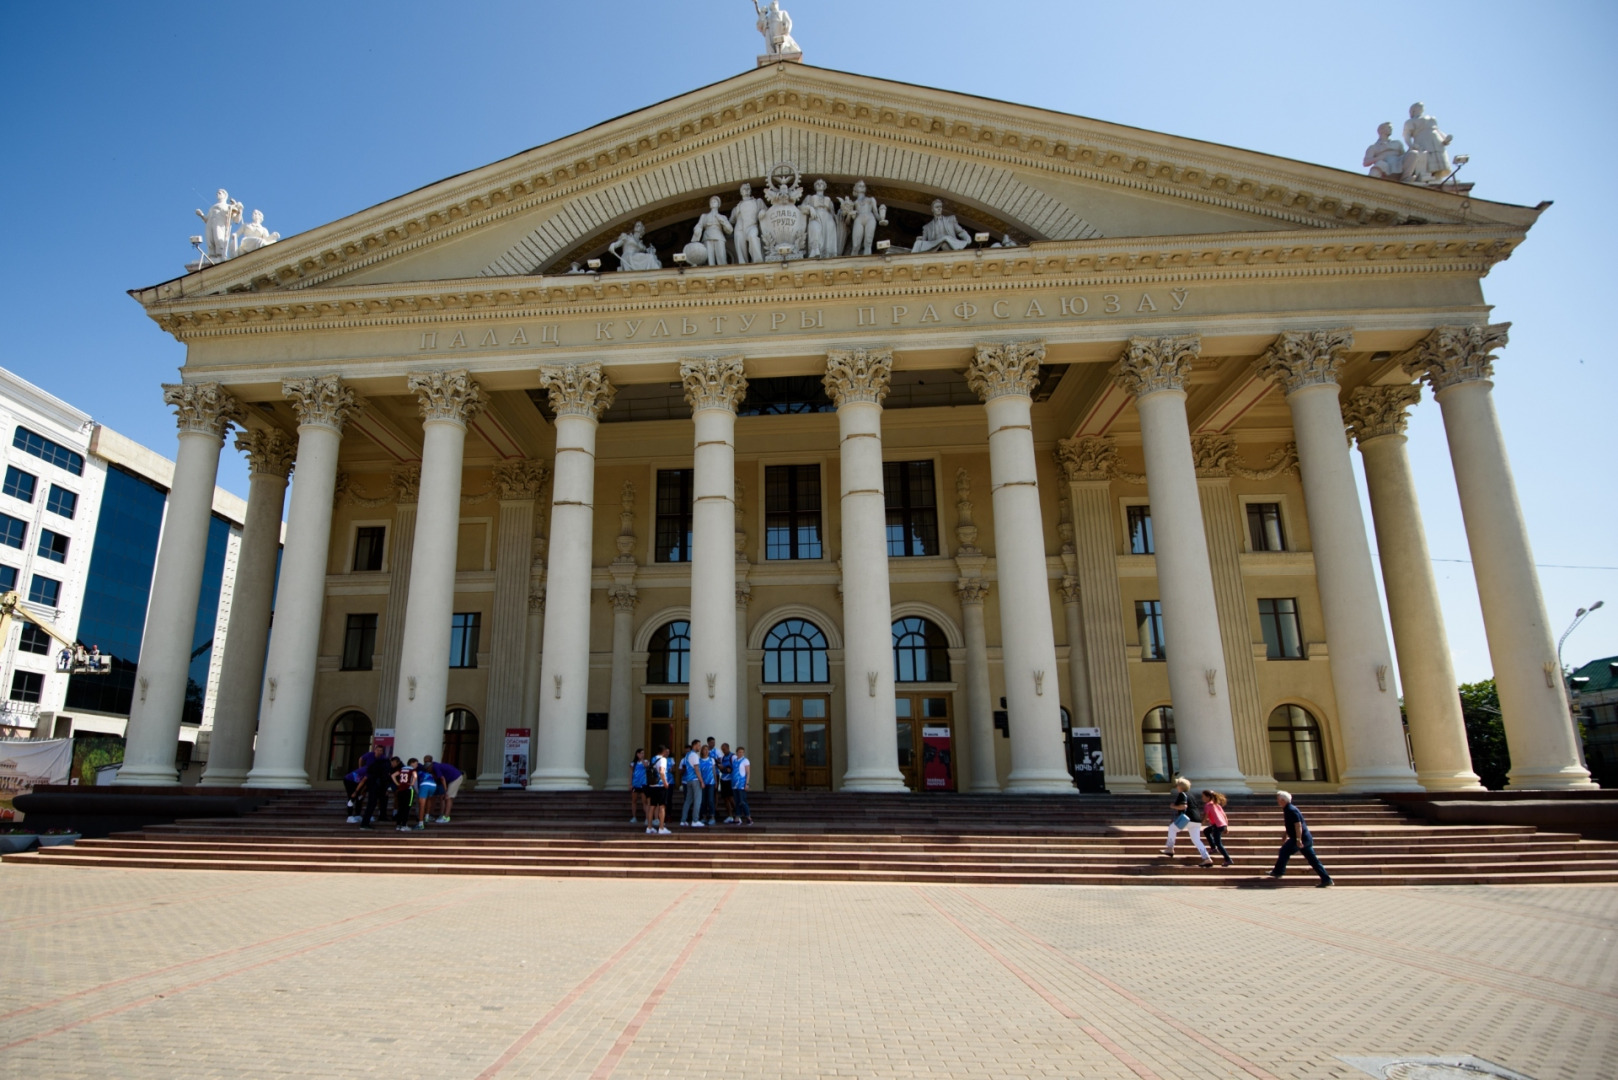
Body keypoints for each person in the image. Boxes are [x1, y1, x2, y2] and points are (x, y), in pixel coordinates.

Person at [1265, 791, 1333, 887]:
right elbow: (1291, 825)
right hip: (1305, 838)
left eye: (1278, 799)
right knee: (1313, 860)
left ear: (1283, 800)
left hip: (1301, 838)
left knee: (1284, 851)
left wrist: (1298, 839)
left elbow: (1298, 825)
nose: (1277, 801)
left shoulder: (1291, 810)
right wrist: (1286, 834)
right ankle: (1326, 879)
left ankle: (1278, 871)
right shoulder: (1288, 809)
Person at [1162, 777, 1213, 867]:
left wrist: (1173, 806)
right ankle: (1207, 858)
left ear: (1180, 786)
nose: (1176, 786)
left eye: (1177, 785)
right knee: (1196, 840)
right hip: (1197, 820)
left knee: (1172, 828)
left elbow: (1183, 806)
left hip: (1187, 819)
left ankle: (1170, 848)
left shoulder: (1182, 794)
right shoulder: (1191, 795)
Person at [356, 750, 393, 829]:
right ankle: (365, 823)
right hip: (377, 786)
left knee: (371, 804)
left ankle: (367, 822)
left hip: (372, 786)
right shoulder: (385, 765)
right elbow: (384, 778)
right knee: (372, 804)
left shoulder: (374, 765)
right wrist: (384, 788)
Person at [422, 755, 462, 823]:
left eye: (428, 770)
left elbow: (442, 779)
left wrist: (445, 790)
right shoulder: (434, 766)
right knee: (446, 797)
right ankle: (442, 816)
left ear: (430, 767)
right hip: (450, 779)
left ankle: (446, 817)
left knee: (448, 797)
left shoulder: (435, 767)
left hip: (455, 778)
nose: (429, 772)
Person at [1201, 790, 1232, 867]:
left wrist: (1201, 822)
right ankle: (1213, 848)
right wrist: (1226, 826)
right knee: (1206, 831)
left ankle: (1228, 859)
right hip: (1221, 825)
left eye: (1203, 796)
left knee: (1218, 843)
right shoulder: (1217, 805)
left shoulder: (1207, 805)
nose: (1202, 798)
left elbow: (1206, 815)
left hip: (1217, 826)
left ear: (1208, 797)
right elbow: (1224, 816)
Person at [647, 745, 672, 835]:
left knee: (652, 806)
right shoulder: (663, 759)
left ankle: (649, 827)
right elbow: (662, 771)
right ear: (664, 751)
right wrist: (665, 782)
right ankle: (661, 827)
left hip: (652, 784)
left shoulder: (653, 759)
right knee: (662, 806)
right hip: (660, 785)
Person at [680, 739, 705, 827]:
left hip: (688, 780)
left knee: (688, 800)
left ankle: (683, 820)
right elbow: (696, 769)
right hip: (695, 780)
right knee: (698, 800)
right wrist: (701, 781)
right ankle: (695, 820)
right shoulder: (694, 755)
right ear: (694, 745)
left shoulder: (687, 755)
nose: (700, 747)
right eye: (699, 745)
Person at [391, 757, 418, 832]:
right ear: (411, 763)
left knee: (400, 808)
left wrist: (397, 784)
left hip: (400, 790)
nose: (416, 765)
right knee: (407, 808)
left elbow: (393, 775)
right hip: (408, 790)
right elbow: (415, 776)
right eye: (416, 764)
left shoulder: (402, 769)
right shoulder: (412, 770)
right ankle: (404, 825)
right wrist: (412, 783)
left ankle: (398, 825)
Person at [414, 761, 438, 830]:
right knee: (429, 800)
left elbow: (415, 783)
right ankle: (427, 817)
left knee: (421, 805)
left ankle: (420, 824)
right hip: (433, 785)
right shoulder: (430, 774)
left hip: (424, 785)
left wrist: (418, 791)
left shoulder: (419, 773)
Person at [732, 746, 752, 826]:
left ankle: (748, 817)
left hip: (741, 783)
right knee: (737, 801)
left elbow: (748, 773)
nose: (740, 753)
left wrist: (747, 783)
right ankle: (737, 816)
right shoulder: (734, 760)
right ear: (737, 753)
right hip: (734, 783)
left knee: (742, 801)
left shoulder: (745, 761)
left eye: (742, 752)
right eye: (739, 752)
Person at [698, 744, 717, 825]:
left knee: (710, 800)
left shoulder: (711, 760)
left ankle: (712, 816)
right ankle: (704, 816)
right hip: (703, 783)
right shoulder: (699, 760)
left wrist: (716, 781)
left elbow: (714, 771)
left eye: (707, 749)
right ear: (702, 751)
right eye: (704, 749)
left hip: (711, 782)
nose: (706, 751)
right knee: (703, 800)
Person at [630, 748, 649, 824]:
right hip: (635, 784)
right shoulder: (633, 763)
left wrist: (643, 760)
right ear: (637, 754)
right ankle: (634, 817)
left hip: (643, 784)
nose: (642, 754)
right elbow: (630, 773)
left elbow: (646, 766)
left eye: (643, 753)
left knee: (644, 801)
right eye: (641, 753)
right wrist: (630, 783)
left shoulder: (646, 761)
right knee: (634, 800)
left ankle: (647, 818)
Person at [718, 742, 735, 823]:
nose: (723, 751)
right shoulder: (722, 758)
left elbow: (733, 769)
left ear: (728, 748)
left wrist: (725, 768)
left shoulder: (733, 757)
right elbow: (722, 769)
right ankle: (730, 815)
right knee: (725, 798)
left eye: (724, 749)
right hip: (723, 779)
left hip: (730, 779)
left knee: (731, 798)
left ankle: (737, 813)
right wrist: (721, 768)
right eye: (722, 750)